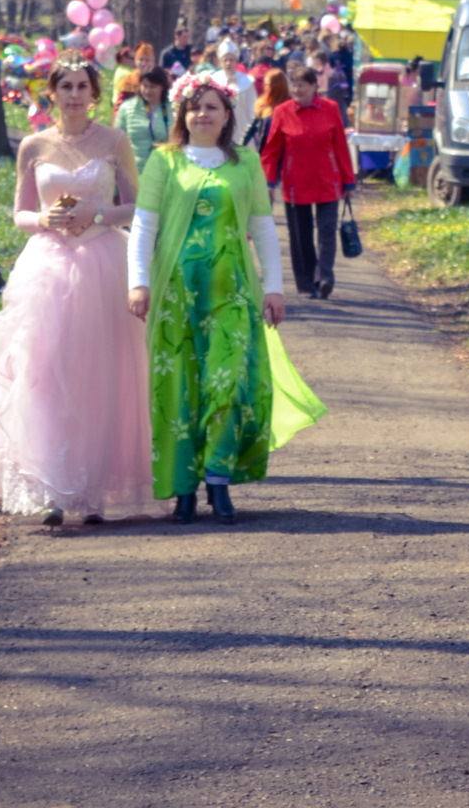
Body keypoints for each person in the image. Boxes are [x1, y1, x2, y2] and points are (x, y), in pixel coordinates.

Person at [126, 71, 325, 523]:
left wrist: (273, 287)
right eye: (194, 106)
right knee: (178, 389)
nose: (202, 114)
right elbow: (144, 227)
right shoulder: (164, 161)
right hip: (177, 294)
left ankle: (218, 481)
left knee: (228, 383)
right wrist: (138, 282)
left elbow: (261, 229)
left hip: (233, 292)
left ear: (227, 114)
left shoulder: (245, 164)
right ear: (182, 113)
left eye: (211, 106)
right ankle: (182, 491)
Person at [0, 58, 162, 523]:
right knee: (47, 373)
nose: (74, 95)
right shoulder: (34, 145)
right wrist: (43, 219)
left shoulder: (114, 141)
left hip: (103, 265)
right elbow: (19, 213)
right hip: (48, 269)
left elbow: (137, 206)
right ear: (51, 93)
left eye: (82, 87)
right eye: (66, 87)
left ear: (94, 94)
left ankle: (94, 491)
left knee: (99, 374)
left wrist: (97, 214)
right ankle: (54, 488)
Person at [261, 66, 356, 300]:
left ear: (315, 87)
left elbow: (341, 147)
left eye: (302, 85)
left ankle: (324, 278)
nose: (296, 89)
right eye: (293, 85)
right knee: (300, 235)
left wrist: (348, 182)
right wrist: (268, 182)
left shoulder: (330, 109)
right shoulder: (282, 112)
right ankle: (306, 283)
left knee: (326, 231)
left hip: (327, 180)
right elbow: (271, 151)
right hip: (296, 183)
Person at [115, 64, 172, 169]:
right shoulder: (127, 107)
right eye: (145, 86)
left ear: (163, 87)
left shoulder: (172, 108)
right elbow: (116, 141)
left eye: (153, 87)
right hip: (134, 171)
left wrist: (166, 146)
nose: (147, 91)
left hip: (164, 169)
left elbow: (180, 140)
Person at [244, 66, 290, 153]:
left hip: (283, 152)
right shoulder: (262, 103)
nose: (266, 88)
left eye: (269, 85)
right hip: (265, 151)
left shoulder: (289, 105)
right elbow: (251, 127)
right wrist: (241, 146)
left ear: (277, 86)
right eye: (265, 84)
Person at [217, 37, 257, 138]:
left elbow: (252, 106)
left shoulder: (246, 81)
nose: (228, 63)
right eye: (225, 60)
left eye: (231, 60)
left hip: (241, 124)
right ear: (220, 62)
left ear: (236, 61)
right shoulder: (214, 79)